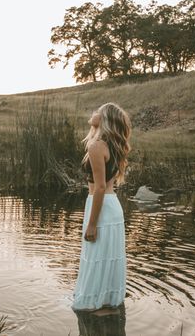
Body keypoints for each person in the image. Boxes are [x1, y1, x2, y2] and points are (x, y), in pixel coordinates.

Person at [71, 102, 132, 315]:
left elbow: (98, 187)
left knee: (97, 254)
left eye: (98, 111)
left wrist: (92, 224)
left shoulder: (97, 147)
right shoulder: (113, 145)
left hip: (101, 206)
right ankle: (108, 302)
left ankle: (94, 305)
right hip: (112, 205)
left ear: (105, 118)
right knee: (107, 256)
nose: (93, 112)